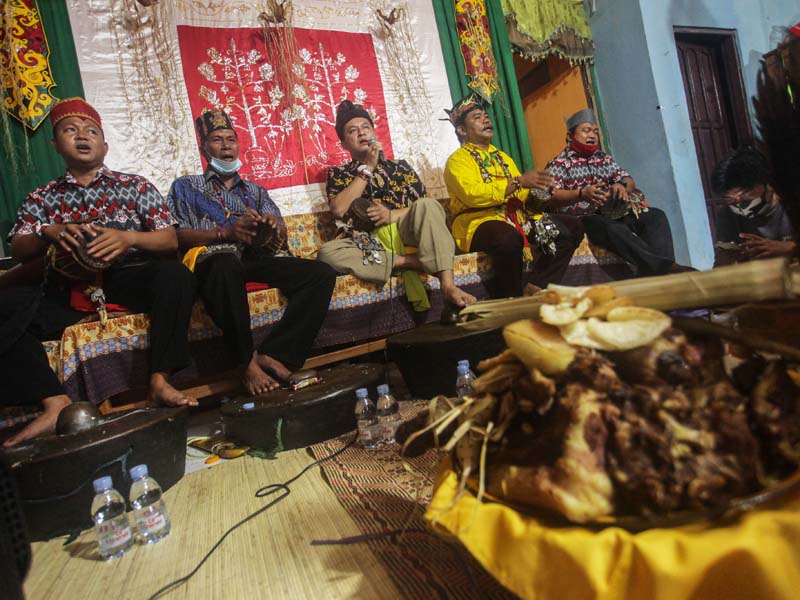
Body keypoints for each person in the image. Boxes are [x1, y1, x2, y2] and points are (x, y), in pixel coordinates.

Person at [6, 97, 198, 444]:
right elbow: (18, 249)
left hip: (127, 276)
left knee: (175, 275)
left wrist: (128, 237)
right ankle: (55, 403)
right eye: (70, 130)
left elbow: (169, 240)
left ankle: (160, 379)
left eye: (91, 131)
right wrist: (48, 231)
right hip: (66, 288)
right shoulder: (41, 198)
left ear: (105, 146)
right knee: (5, 309)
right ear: (55, 145)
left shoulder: (135, 186)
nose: (82, 136)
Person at [168, 109, 336, 395]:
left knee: (320, 274)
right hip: (212, 258)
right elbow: (177, 235)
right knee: (225, 264)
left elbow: (279, 232)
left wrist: (270, 227)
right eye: (217, 140)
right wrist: (225, 233)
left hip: (251, 257)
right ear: (204, 148)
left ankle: (275, 353)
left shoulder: (255, 191)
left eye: (231, 139)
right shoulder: (186, 186)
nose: (226, 146)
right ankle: (245, 363)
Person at [317, 100, 475, 315]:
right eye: (352, 131)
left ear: (374, 132)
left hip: (406, 232)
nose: (361, 133)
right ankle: (411, 262)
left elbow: (426, 206)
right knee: (327, 253)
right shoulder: (339, 174)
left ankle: (448, 286)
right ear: (344, 144)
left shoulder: (400, 167)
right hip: (368, 243)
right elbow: (339, 210)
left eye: (365, 127)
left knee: (428, 206)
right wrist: (368, 168)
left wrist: (391, 215)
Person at [443, 95, 585, 298]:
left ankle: (536, 285)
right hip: (478, 221)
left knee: (572, 227)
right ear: (462, 130)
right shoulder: (457, 161)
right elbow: (473, 195)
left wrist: (541, 191)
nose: (485, 119)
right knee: (508, 238)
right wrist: (519, 181)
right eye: (477, 117)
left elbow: (523, 195)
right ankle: (511, 296)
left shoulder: (502, 157)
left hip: (518, 218)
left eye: (485, 115)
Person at [546, 108, 682, 276]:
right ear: (569, 136)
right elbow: (550, 196)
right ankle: (665, 268)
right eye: (586, 130)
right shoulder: (559, 164)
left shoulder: (603, 158)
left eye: (595, 132)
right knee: (612, 228)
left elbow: (628, 179)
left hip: (614, 213)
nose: (592, 135)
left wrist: (621, 185)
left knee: (655, 216)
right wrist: (581, 194)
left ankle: (663, 274)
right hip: (585, 218)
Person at [711, 147, 797, 264]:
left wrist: (790, 247)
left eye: (745, 195)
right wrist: (727, 257)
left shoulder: (791, 203)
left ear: (766, 184)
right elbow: (721, 263)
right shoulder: (727, 215)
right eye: (731, 200)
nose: (739, 206)